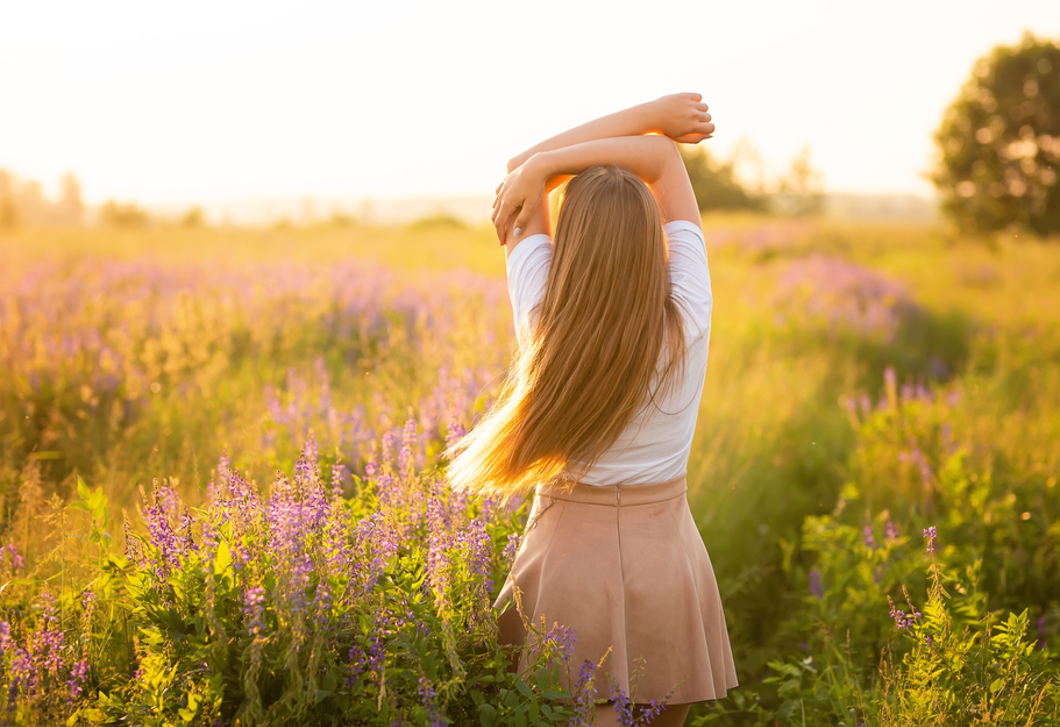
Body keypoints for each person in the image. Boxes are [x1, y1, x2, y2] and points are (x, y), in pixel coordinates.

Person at [445, 93, 738, 726]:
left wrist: (539, 166)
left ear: (571, 243)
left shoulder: (544, 323)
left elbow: (525, 170)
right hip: (669, 562)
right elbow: (661, 159)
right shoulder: (688, 315)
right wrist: (658, 113)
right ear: (649, 241)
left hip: (567, 569)